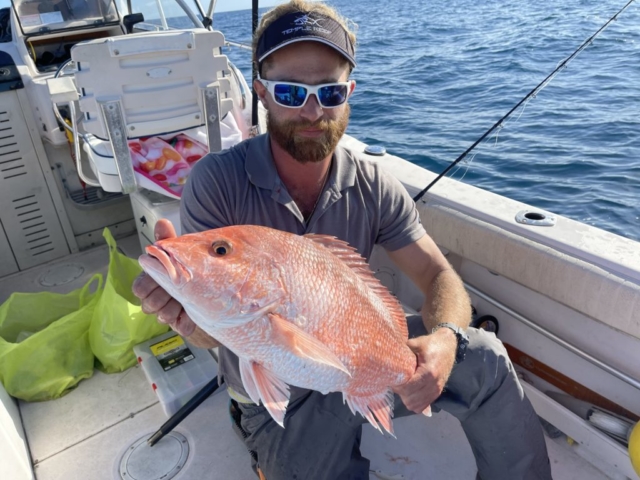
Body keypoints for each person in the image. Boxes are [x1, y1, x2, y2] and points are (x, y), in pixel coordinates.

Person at [133, 1, 552, 478]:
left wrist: (446, 340)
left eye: (329, 92)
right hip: (280, 399)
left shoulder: (376, 184)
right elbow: (220, 327)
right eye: (290, 92)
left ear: (349, 94)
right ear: (262, 94)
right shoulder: (217, 181)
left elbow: (438, 275)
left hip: (366, 358)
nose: (313, 111)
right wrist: (187, 319)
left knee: (485, 358)